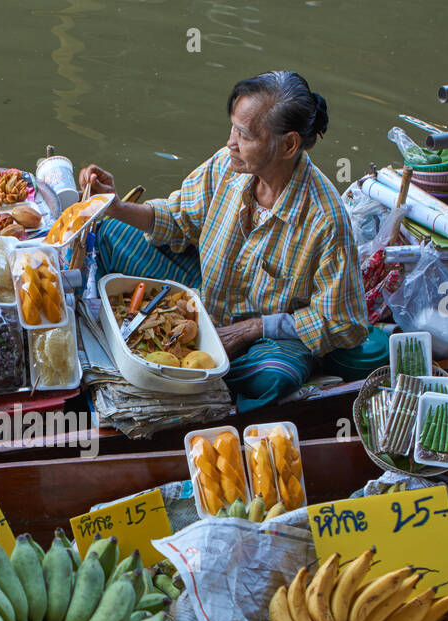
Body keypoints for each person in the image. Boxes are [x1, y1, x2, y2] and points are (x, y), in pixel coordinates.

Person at [79, 71, 375, 411]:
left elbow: (344, 323)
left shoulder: (326, 219)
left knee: (273, 375)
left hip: (264, 339)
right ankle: (191, 364)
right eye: (233, 128)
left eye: (245, 135)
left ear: (289, 144)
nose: (231, 141)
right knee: (109, 233)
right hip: (208, 298)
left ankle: (210, 391)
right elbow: (177, 219)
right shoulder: (227, 164)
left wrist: (251, 329)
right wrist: (115, 205)